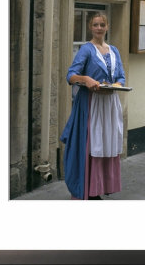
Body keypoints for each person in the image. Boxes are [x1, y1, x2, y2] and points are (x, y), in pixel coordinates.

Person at [60, 12, 125, 200]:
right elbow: (71, 75)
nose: (99, 28)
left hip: (109, 104)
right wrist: (86, 78)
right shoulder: (86, 50)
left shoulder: (114, 51)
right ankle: (86, 188)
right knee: (91, 143)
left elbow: (121, 76)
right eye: (95, 24)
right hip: (91, 104)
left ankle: (99, 187)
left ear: (107, 27)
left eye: (102, 24)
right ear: (91, 27)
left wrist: (117, 85)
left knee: (106, 142)